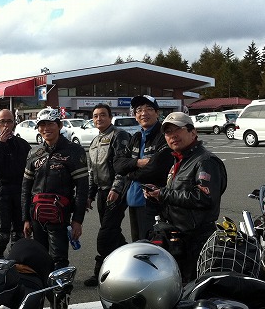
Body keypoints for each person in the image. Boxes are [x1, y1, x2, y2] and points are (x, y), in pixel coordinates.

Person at [21, 108, 88, 309]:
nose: (46, 128)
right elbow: (26, 189)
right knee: (40, 265)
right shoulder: (35, 154)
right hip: (36, 218)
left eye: (51, 124)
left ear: (59, 126)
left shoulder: (74, 151)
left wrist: (77, 220)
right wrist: (25, 219)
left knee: (60, 266)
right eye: (42, 125)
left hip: (60, 220)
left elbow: (82, 189)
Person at [145, 111, 228, 283]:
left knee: (193, 287)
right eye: (168, 132)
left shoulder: (205, 161)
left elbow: (204, 197)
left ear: (193, 132)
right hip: (177, 238)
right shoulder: (179, 160)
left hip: (197, 240)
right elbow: (178, 194)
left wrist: (163, 194)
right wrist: (156, 195)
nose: (173, 136)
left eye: (178, 130)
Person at [113, 95, 173, 241]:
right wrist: (137, 163)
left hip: (154, 203)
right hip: (133, 201)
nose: (143, 113)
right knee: (137, 244)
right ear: (135, 115)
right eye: (139, 110)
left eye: (149, 109)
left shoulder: (163, 136)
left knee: (152, 246)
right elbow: (117, 164)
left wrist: (129, 173)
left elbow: (156, 169)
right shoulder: (136, 137)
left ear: (157, 113)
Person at [83, 103, 130, 287]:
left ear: (110, 117)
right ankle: (129, 260)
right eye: (95, 116)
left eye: (103, 115)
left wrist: (116, 188)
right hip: (102, 192)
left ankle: (100, 271)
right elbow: (92, 172)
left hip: (116, 192)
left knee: (105, 235)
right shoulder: (95, 141)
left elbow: (122, 165)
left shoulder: (119, 135)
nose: (99, 118)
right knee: (113, 233)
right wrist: (89, 195)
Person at [0, 109, 31, 257]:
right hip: (1, 191)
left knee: (19, 234)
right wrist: (1, 144)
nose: (6, 125)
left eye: (9, 121)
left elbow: (30, 170)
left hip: (20, 191)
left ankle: (15, 263)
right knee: (2, 235)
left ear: (14, 123)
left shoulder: (22, 144)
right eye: (2, 121)